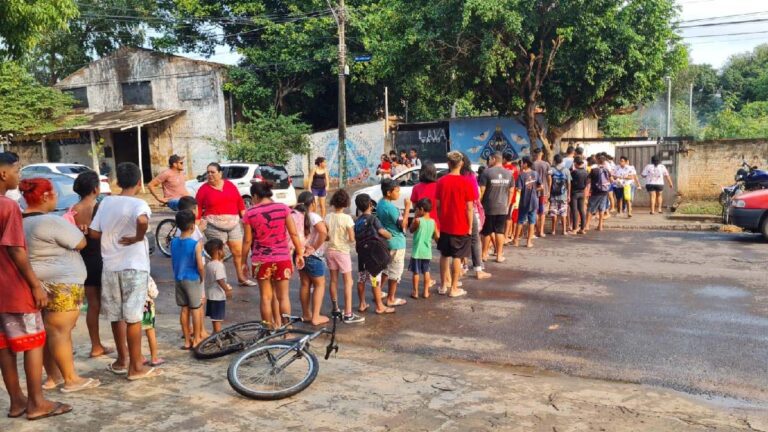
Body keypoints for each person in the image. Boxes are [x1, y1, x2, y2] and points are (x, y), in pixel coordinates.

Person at [0, 152, 73, 420]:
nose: (19, 176)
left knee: (4, 347)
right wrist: (35, 286)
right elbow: (16, 251)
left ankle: (16, 401)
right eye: (17, 170)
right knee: (33, 342)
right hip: (13, 287)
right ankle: (36, 402)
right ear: (3, 174)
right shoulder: (7, 207)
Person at [20, 178, 101, 394]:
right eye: (54, 193)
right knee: (60, 332)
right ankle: (71, 379)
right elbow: (80, 242)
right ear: (45, 196)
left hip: (38, 283)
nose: (56, 196)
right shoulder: (50, 221)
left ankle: (53, 376)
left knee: (49, 331)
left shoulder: (20, 221)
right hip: (62, 283)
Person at [89, 162, 161, 381]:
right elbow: (141, 220)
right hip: (134, 267)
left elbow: (93, 233)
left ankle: (122, 360)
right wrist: (138, 238)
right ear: (139, 182)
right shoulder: (139, 203)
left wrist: (111, 239)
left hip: (110, 267)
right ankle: (136, 367)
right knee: (133, 318)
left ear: (117, 182)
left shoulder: (106, 202)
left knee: (116, 316)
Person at [242, 182, 304, 328]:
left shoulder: (250, 213)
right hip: (282, 258)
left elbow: (247, 241)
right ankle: (287, 329)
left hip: (261, 260)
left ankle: (268, 330)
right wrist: (299, 253)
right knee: (283, 297)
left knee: (265, 297)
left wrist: (243, 261)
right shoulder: (283, 208)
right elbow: (294, 233)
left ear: (255, 196)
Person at [70, 171, 113, 358]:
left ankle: (96, 346)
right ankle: (122, 344)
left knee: (93, 305)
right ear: (96, 189)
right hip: (104, 258)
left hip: (85, 260)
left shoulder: (73, 209)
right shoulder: (101, 207)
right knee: (113, 304)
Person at [196, 162, 250, 286]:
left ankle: (241, 277)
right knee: (218, 255)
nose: (210, 175)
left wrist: (247, 220)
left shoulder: (230, 185)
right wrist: (197, 225)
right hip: (214, 226)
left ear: (220, 173)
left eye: (213, 172)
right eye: (208, 172)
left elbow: (240, 203)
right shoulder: (203, 189)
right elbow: (198, 208)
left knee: (238, 252)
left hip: (233, 224)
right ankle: (221, 282)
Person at [436, 151, 474, 297]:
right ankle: (454, 288)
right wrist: (470, 226)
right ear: (462, 164)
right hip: (461, 225)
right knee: (457, 256)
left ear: (448, 164)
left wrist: (441, 219)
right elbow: (469, 207)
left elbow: (438, 205)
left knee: (444, 255)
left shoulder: (441, 182)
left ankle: (443, 285)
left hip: (445, 224)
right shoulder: (466, 182)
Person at [325, 190, 364, 323]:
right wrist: (351, 239)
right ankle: (348, 313)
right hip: (342, 252)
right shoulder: (347, 218)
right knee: (348, 282)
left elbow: (326, 235)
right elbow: (352, 238)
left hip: (330, 250)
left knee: (333, 280)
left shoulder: (328, 217)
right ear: (346, 203)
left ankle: (335, 310)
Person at [354, 194, 395, 314]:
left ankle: (362, 304)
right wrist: (389, 235)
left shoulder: (357, 221)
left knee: (361, 278)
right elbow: (382, 231)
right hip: (373, 256)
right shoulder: (373, 219)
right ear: (370, 205)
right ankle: (379, 306)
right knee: (374, 280)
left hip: (362, 254)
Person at [171, 210, 206, 349]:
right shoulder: (195, 244)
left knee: (184, 309)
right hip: (192, 279)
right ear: (193, 226)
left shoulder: (173, 242)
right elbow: (200, 265)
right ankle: (197, 338)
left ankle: (187, 341)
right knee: (196, 309)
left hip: (178, 278)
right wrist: (202, 278)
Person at [295, 191, 329, 325]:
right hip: (313, 256)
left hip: (300, 254)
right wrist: (314, 247)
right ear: (313, 203)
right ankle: (316, 317)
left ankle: (306, 314)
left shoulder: (296, 216)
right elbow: (323, 232)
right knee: (319, 284)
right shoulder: (313, 216)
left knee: (304, 283)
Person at [377, 179, 408, 307]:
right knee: (395, 272)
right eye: (397, 191)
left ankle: (378, 292)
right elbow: (403, 225)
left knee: (386, 268)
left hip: (386, 242)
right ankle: (391, 298)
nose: (399, 194)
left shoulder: (380, 203)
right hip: (396, 242)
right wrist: (407, 209)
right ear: (389, 192)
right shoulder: (391, 208)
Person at [461, 153, 490, 279]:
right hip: (469, 209)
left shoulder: (448, 176)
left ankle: (462, 267)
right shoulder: (470, 175)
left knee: (460, 238)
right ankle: (478, 269)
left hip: (455, 210)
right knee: (474, 238)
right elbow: (475, 195)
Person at [479, 152, 513, 263]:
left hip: (488, 207)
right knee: (500, 232)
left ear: (494, 159)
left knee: (486, 231)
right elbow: (511, 191)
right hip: (502, 207)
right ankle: (499, 255)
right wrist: (507, 204)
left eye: (490, 159)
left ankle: (484, 254)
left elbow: (482, 190)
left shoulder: (486, 172)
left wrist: (478, 203)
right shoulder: (509, 173)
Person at [409, 199, 438, 299]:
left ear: (421, 209)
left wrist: (415, 218)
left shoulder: (417, 220)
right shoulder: (433, 222)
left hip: (417, 251)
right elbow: (436, 236)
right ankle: (426, 292)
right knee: (426, 271)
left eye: (417, 209)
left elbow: (411, 230)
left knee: (416, 272)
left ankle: (415, 292)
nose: (416, 211)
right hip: (427, 251)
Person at [204, 239, 232, 333]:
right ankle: (217, 334)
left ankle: (214, 332)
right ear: (218, 251)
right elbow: (220, 279)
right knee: (218, 318)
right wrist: (227, 289)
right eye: (222, 249)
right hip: (218, 296)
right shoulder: (218, 265)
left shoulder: (210, 264)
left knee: (214, 318)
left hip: (211, 295)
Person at [513, 157, 542, 248]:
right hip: (534, 201)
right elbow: (541, 186)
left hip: (524, 201)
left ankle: (516, 240)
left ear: (526, 164)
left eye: (522, 163)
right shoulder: (536, 174)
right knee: (532, 222)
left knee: (520, 221)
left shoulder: (521, 175)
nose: (521, 165)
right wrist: (534, 190)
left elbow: (518, 189)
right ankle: (529, 242)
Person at [585, 154, 613, 232]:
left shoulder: (594, 170)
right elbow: (611, 180)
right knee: (601, 209)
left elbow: (588, 181)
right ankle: (600, 226)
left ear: (597, 161)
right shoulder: (606, 170)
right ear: (604, 161)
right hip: (604, 192)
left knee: (590, 209)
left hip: (595, 192)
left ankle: (587, 225)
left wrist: (587, 190)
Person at [410, 161, 439, 229]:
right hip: (435, 223)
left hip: (421, 223)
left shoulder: (416, 187)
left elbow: (414, 206)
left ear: (421, 173)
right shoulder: (439, 187)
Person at [141, 277, 163, 367]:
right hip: (146, 306)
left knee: (136, 332)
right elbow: (153, 293)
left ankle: (139, 357)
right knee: (150, 332)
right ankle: (154, 358)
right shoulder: (146, 275)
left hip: (134, 307)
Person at [548, 154, 572, 236]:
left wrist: (548, 193)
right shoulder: (567, 170)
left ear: (555, 160)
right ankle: (564, 230)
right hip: (563, 195)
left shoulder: (551, 170)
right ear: (562, 161)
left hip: (553, 195)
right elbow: (569, 183)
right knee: (563, 213)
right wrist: (568, 195)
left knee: (553, 213)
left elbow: (549, 182)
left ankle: (553, 230)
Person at [532, 148, 552, 238]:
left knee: (535, 211)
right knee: (542, 211)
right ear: (542, 153)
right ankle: (541, 231)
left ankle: (536, 230)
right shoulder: (546, 164)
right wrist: (549, 189)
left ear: (534, 154)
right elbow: (549, 178)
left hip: (534, 190)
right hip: (544, 191)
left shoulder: (532, 164)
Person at [502, 153, 520, 242]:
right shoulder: (515, 169)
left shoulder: (501, 168)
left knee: (501, 217)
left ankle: (502, 235)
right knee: (509, 217)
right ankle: (506, 236)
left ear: (504, 159)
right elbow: (516, 184)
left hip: (501, 196)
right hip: (511, 197)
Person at [569, 156, 589, 234]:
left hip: (574, 193)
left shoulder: (574, 172)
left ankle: (575, 228)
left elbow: (570, 183)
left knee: (574, 211)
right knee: (582, 210)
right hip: (582, 192)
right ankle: (582, 229)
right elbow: (587, 183)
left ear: (576, 163)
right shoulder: (586, 172)